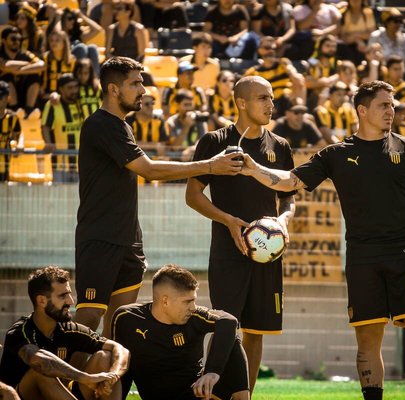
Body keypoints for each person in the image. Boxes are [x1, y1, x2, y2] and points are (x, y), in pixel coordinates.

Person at [240, 80, 405, 400]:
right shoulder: (336, 154)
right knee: (368, 340)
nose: (391, 111)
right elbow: (290, 181)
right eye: (384, 105)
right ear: (362, 110)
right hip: (362, 258)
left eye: (393, 105)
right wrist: (253, 168)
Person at [74, 56, 243, 339]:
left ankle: (107, 371)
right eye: (135, 84)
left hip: (128, 239)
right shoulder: (101, 124)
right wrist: (210, 166)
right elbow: (149, 170)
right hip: (100, 238)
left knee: (119, 325)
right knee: (88, 318)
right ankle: (64, 369)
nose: (143, 90)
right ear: (113, 89)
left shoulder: (122, 126)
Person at [185, 75, 296, 394]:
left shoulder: (280, 146)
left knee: (256, 331)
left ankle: (246, 394)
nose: (271, 104)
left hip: (267, 252)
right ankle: (213, 393)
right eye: (263, 98)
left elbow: (289, 197)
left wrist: (284, 220)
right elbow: (192, 196)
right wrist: (228, 221)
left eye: (271, 98)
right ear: (241, 102)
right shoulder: (214, 141)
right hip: (227, 250)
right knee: (225, 326)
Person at [112, 264, 250, 400]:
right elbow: (122, 367)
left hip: (197, 394)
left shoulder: (194, 316)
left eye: (194, 300)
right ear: (165, 301)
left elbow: (228, 321)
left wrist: (212, 372)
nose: (193, 307)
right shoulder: (127, 318)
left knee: (231, 337)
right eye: (187, 301)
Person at [0, 266, 129, 400]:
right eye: (63, 296)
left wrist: (113, 375)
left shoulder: (68, 329)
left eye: (69, 294)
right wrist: (86, 378)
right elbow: (39, 361)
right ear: (42, 301)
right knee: (40, 372)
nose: (71, 301)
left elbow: (120, 349)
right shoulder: (19, 332)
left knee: (105, 357)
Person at [42, 73, 84, 183]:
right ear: (61, 89)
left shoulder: (82, 103)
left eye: (76, 86)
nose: (74, 90)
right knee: (60, 193)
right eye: (70, 88)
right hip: (60, 164)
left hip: (82, 164)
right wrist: (48, 143)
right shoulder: (53, 104)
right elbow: (45, 126)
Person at [0, 26, 45, 113]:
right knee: (7, 77)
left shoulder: (25, 53)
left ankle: (29, 110)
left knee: (34, 76)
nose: (16, 42)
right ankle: (14, 111)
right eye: (13, 39)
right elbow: (5, 66)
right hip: (4, 95)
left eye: (19, 39)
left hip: (22, 91)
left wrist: (19, 71)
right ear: (3, 40)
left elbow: (42, 65)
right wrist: (30, 64)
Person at [0, 80, 21, 182]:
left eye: (1, 97)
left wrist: (18, 145)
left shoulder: (13, 117)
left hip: (4, 167)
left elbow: (16, 136)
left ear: (8, 98)